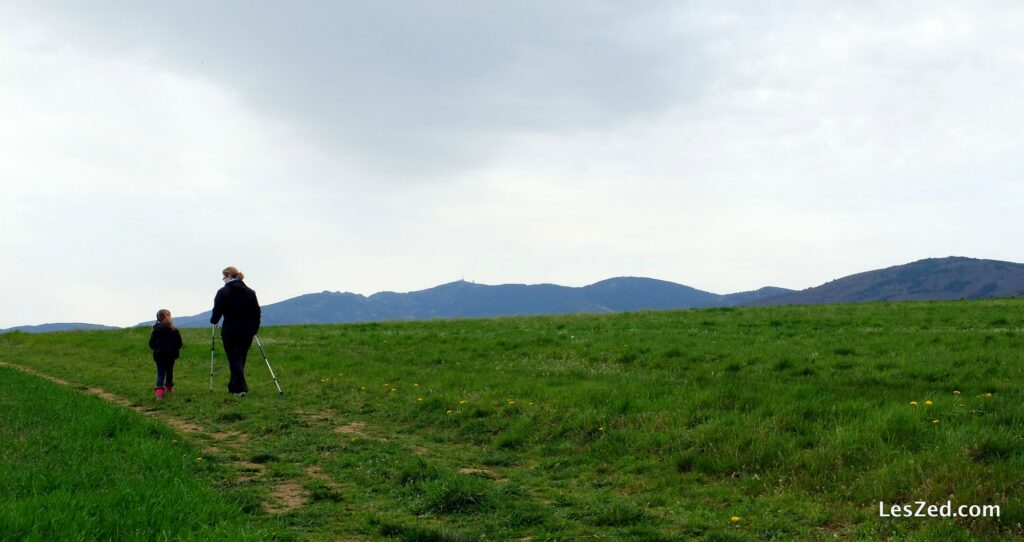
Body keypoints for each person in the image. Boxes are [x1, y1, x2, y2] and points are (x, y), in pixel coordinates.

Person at [210, 266, 261, 396]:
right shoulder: (250, 292)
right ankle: (233, 386)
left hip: (231, 330)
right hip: (247, 330)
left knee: (234, 358)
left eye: (223, 277)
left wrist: (214, 320)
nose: (223, 280)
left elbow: (217, 312)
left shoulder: (223, 292)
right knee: (240, 358)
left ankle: (240, 389)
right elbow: (256, 312)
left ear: (228, 276)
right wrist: (255, 328)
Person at [149, 309, 182, 401]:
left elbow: (151, 343)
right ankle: (169, 390)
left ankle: (159, 394)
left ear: (158, 319)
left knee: (160, 374)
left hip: (159, 355)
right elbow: (179, 343)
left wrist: (157, 349)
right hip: (171, 356)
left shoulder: (156, 330)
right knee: (169, 372)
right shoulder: (174, 330)